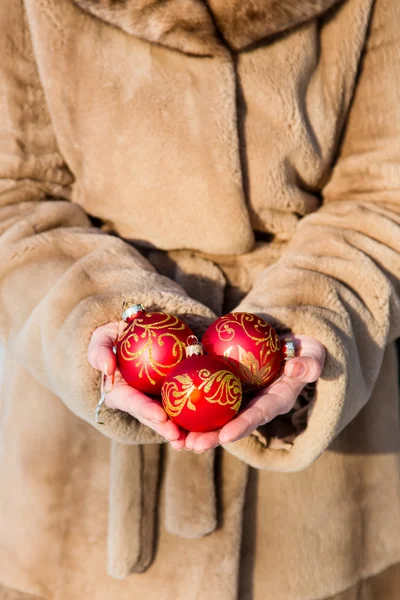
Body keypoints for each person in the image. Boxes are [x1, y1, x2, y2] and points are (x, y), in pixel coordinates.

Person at [0, 0, 399, 599]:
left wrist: (313, 319)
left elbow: (383, 195)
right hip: (76, 506)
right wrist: (97, 318)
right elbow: (15, 192)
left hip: (317, 515)